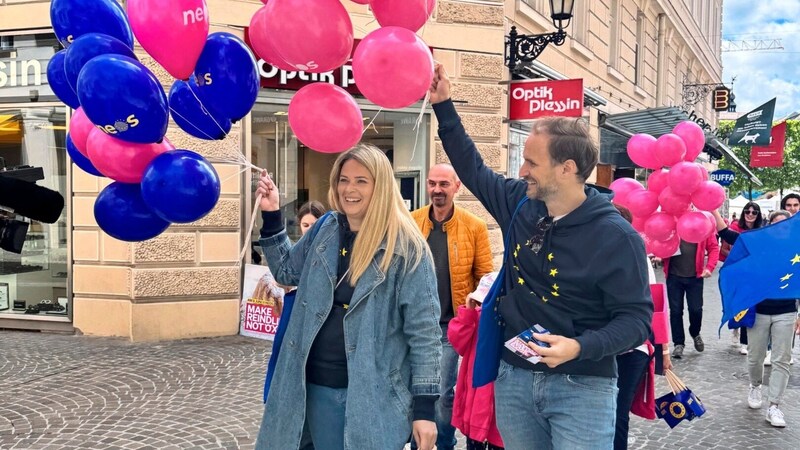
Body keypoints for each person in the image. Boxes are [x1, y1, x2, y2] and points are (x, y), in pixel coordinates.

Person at [429, 64, 653, 449]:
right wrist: (444, 106)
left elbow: (636, 321)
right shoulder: (520, 203)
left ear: (567, 169)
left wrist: (580, 347)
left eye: (532, 162)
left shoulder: (617, 236)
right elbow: (473, 168)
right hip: (513, 378)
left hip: (583, 384)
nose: (522, 170)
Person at [254, 144, 443, 450]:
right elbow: (287, 272)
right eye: (344, 179)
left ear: (380, 186)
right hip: (302, 385)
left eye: (361, 181)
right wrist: (272, 214)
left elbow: (425, 335)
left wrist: (424, 410)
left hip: (363, 397)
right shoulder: (326, 227)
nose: (349, 189)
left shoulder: (407, 249)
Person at [410, 163, 494, 450]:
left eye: (443, 184)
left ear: (457, 186)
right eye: (432, 183)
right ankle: (415, 442)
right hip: (415, 322)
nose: (437, 190)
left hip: (450, 325)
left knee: (443, 392)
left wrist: (472, 308)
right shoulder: (412, 221)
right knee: (415, 388)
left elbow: (485, 277)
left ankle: (443, 443)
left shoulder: (475, 226)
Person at [712, 209, 800, 428]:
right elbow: (727, 234)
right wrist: (713, 209)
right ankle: (755, 385)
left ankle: (775, 406)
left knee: (781, 359)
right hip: (759, 311)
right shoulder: (758, 246)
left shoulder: (795, 249)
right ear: (769, 227)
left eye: (785, 225)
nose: (781, 229)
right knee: (755, 357)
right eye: (776, 225)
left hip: (787, 311)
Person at [612, 205, 672, 450]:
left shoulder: (638, 256)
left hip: (632, 348)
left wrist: (664, 351)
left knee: (619, 410)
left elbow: (656, 306)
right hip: (599, 347)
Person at [448, 273, 504, 450]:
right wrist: (468, 311)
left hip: (498, 416)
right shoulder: (476, 318)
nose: (483, 307)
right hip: (475, 411)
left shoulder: (508, 325)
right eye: (480, 303)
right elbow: (458, 341)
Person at [657, 228, 719, 359]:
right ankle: (678, 343)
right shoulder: (672, 224)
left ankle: (695, 332)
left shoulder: (702, 225)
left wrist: (709, 267)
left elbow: (713, 248)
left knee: (696, 309)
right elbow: (661, 241)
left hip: (695, 277)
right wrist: (659, 254)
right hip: (674, 276)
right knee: (675, 311)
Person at [723, 202, 764, 355]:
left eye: (754, 212)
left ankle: (745, 341)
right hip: (737, 272)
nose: (750, 214)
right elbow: (724, 249)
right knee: (738, 304)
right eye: (748, 211)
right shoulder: (735, 228)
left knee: (750, 304)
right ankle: (736, 326)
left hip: (754, 274)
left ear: (758, 215)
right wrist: (738, 257)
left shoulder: (762, 230)